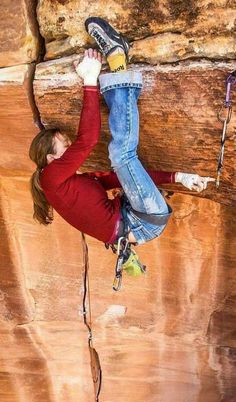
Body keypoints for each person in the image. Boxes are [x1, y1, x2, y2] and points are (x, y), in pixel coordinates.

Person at [29, 17, 215, 254]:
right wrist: (89, 80)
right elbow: (88, 139)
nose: (72, 146)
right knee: (121, 154)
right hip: (142, 221)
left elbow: (119, 179)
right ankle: (117, 56)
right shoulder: (50, 178)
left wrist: (179, 176)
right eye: (64, 144)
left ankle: (118, 59)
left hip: (136, 215)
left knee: (121, 161)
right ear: (50, 158)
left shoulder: (73, 182)